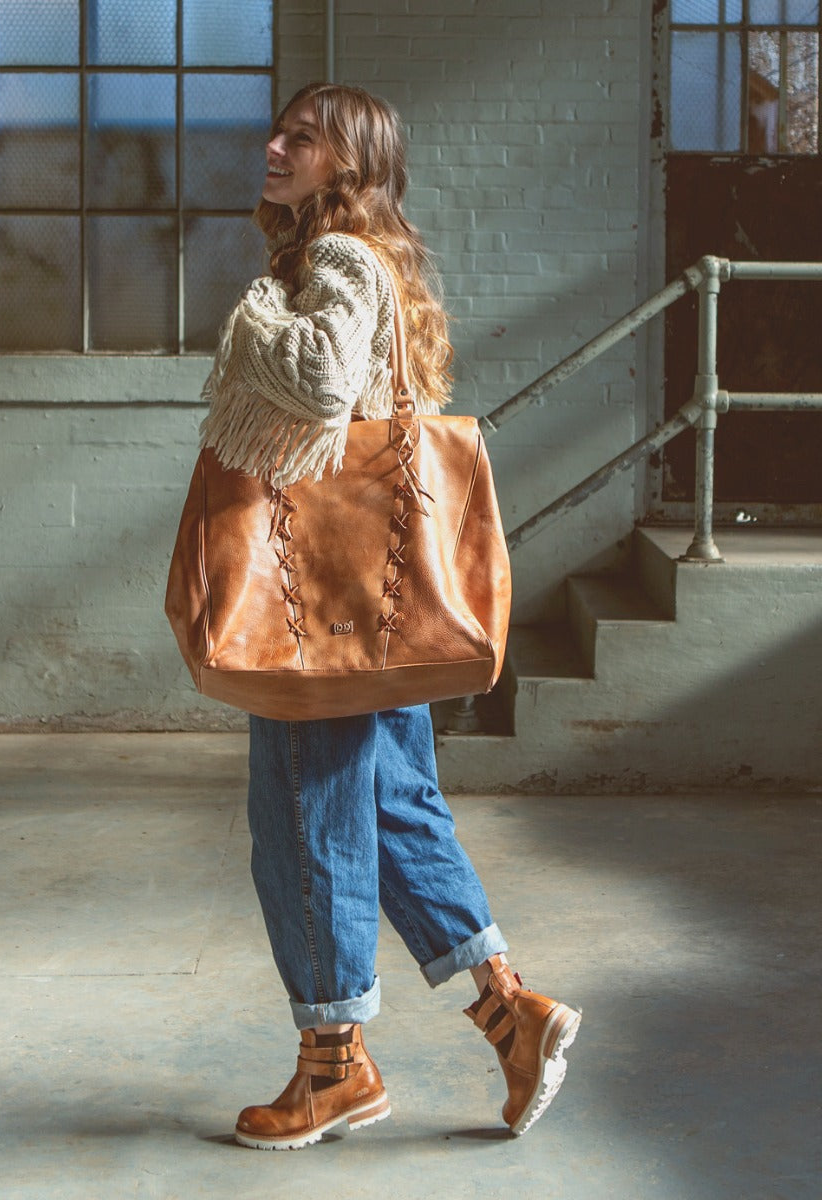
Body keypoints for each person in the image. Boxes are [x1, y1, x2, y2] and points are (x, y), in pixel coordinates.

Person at [198, 82, 580, 1150]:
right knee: (393, 808)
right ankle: (512, 1015)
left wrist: (251, 317)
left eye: (302, 139)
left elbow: (319, 386)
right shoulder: (376, 262)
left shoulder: (330, 262)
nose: (274, 147)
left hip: (318, 602)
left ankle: (333, 1069)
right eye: (277, 131)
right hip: (379, 606)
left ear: (347, 166)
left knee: (301, 815)